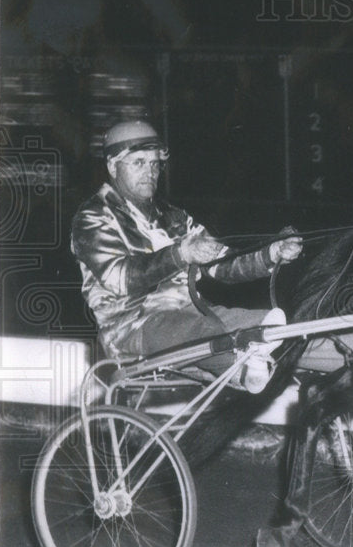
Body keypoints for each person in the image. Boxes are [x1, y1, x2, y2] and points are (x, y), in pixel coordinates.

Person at [71, 119, 303, 392]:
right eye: (139, 162)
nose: (150, 172)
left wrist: (271, 254)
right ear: (112, 166)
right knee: (205, 333)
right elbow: (121, 277)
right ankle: (245, 374)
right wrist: (181, 254)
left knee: (278, 325)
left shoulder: (174, 217)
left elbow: (221, 263)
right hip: (132, 327)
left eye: (155, 164)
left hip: (194, 314)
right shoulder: (93, 217)